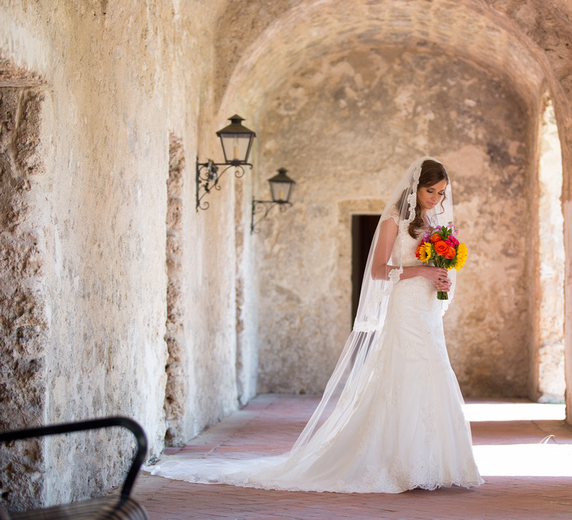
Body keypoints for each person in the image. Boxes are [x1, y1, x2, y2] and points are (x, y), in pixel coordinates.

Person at [148, 156, 483, 493]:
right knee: (406, 373)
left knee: (433, 371)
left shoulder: (437, 224)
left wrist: (441, 279)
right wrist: (422, 271)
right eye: (430, 191)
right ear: (416, 186)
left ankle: (432, 461)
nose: (436, 199)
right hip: (405, 308)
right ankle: (400, 462)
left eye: (441, 193)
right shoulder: (393, 220)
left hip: (426, 308)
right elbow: (379, 271)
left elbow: (438, 265)